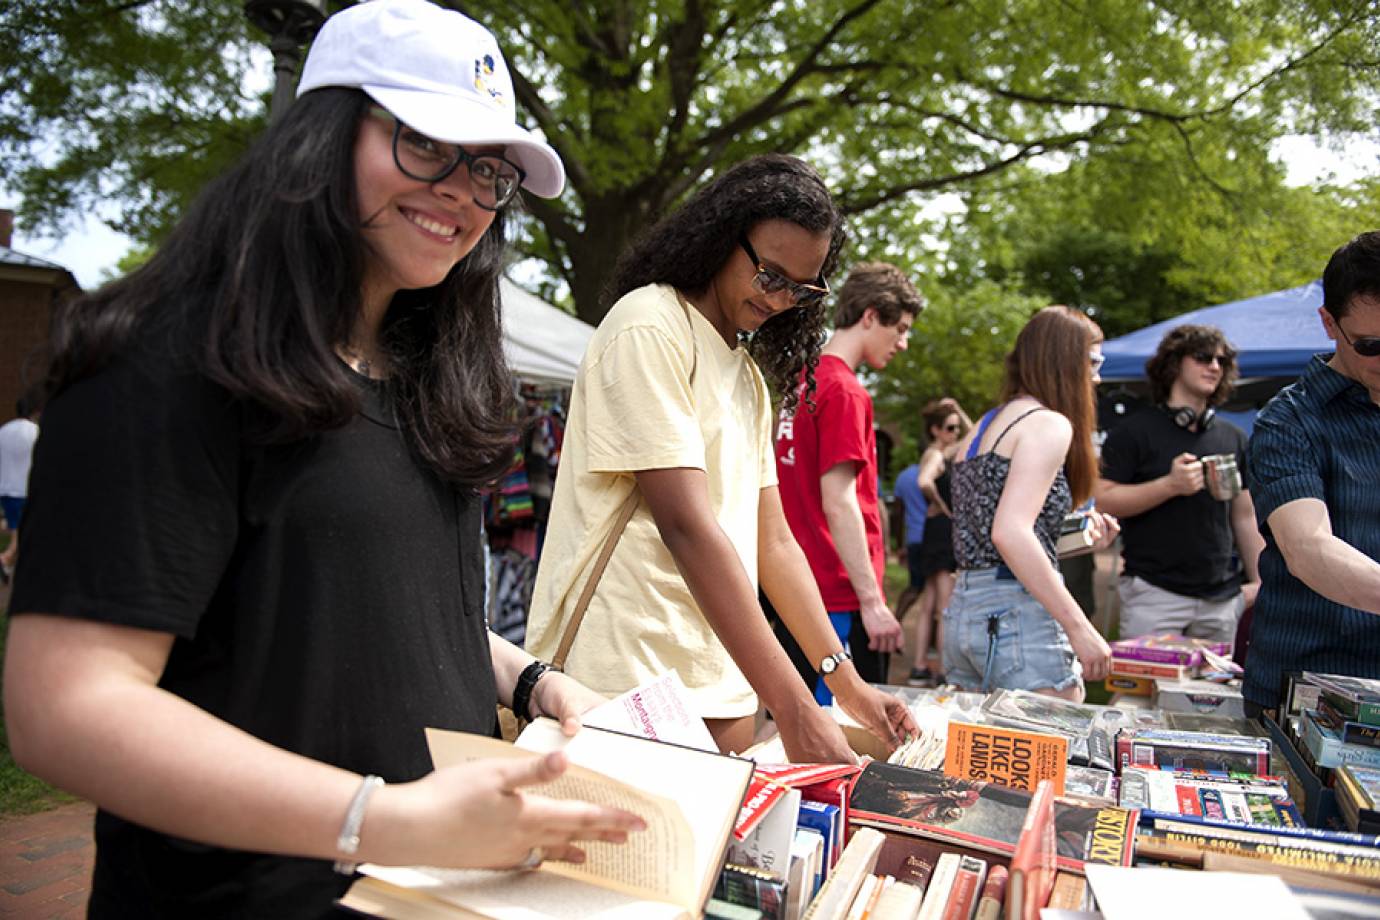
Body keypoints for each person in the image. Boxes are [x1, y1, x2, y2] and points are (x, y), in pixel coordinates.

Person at [2, 3, 645, 916]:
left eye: (491, 170)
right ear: (318, 137)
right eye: (425, 143)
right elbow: (63, 710)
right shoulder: (165, 362)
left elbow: (375, 608)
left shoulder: (427, 378)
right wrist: (381, 819)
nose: (463, 191)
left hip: (431, 892)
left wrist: (535, 681)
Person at [525, 156, 918, 762]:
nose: (780, 299)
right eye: (769, 275)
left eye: (800, 289)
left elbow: (774, 543)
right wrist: (792, 704)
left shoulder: (747, 376)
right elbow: (688, 527)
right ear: (718, 237)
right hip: (620, 677)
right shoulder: (650, 326)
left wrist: (846, 684)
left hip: (722, 683)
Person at [943, 307, 1119, 701]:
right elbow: (1009, 532)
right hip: (1016, 615)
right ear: (1065, 358)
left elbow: (987, 532)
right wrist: (1079, 627)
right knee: (1049, 756)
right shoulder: (1048, 423)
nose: (1097, 375)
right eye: (1094, 360)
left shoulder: (985, 426)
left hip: (964, 614)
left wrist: (1078, 538)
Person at [1243, 231, 1380, 717]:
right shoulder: (1289, 420)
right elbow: (1309, 550)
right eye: (1371, 344)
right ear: (1328, 323)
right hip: (1307, 699)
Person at [774, 262, 924, 704]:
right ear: (871, 315)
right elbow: (839, 501)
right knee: (835, 736)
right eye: (900, 328)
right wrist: (874, 603)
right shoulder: (843, 390)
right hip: (835, 594)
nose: (903, 342)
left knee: (798, 724)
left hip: (797, 586)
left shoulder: (798, 383)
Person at [1096, 325, 1264, 642]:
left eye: (1222, 361)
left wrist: (1259, 580)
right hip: (1154, 593)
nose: (1214, 366)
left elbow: (1244, 514)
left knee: (1212, 693)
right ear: (1174, 363)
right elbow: (1103, 499)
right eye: (1203, 357)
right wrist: (1169, 486)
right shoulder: (1133, 432)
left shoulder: (1233, 437)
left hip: (1222, 599)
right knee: (1142, 692)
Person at [906, 397, 971, 686]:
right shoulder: (936, 455)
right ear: (935, 430)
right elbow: (924, 481)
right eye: (949, 428)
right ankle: (943, 670)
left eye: (955, 428)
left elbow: (973, 435)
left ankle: (920, 665)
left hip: (935, 532)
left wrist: (957, 408)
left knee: (931, 602)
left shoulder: (945, 451)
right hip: (942, 532)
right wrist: (944, 506)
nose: (954, 433)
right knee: (944, 606)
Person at [0, 391, 39, 583]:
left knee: (18, 530)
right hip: (25, 489)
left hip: (6, 490)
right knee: (24, 533)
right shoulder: (35, 432)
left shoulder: (4, 430)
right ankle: (6, 558)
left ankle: (8, 566)